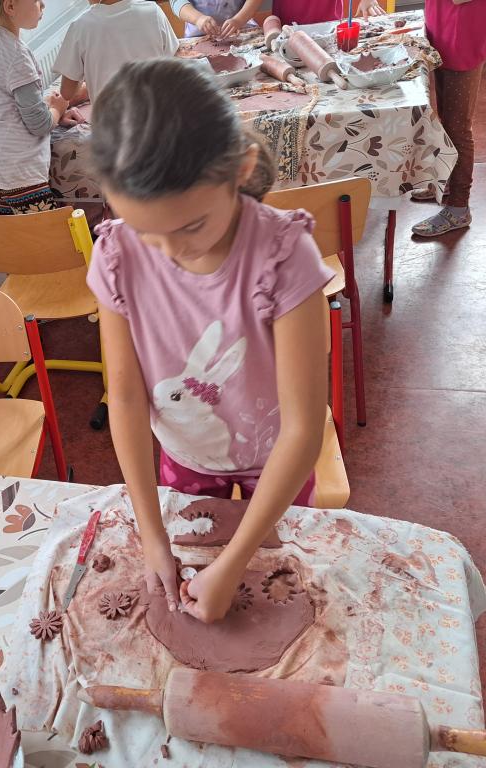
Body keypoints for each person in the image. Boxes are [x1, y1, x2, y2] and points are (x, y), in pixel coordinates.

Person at [87, 58, 334, 624]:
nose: (171, 253)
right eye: (147, 232)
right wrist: (151, 534)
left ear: (240, 169)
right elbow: (125, 398)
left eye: (192, 226)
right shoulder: (117, 256)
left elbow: (303, 427)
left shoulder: (283, 256)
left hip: (277, 461)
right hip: (186, 457)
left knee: (274, 579)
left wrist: (233, 563)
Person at [0, 0, 81, 216]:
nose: (43, 5)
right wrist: (57, 109)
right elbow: (39, 125)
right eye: (37, 0)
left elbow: (12, 105)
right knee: (50, 234)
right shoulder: (17, 56)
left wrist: (50, 109)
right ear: (10, 7)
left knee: (17, 234)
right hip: (19, 171)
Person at [411, 0, 486, 237]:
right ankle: (447, 184)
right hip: (444, 34)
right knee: (447, 121)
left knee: (458, 129)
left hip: (463, 42)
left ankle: (459, 207)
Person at [54, 0, 178, 105]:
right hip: (158, 116)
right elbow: (172, 64)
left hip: (109, 122)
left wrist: (83, 73)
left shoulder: (80, 26)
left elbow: (67, 93)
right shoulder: (153, 11)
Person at [171, 0, 383, 39]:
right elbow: (177, 2)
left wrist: (239, 19)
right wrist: (198, 19)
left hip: (326, 22)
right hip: (199, 36)